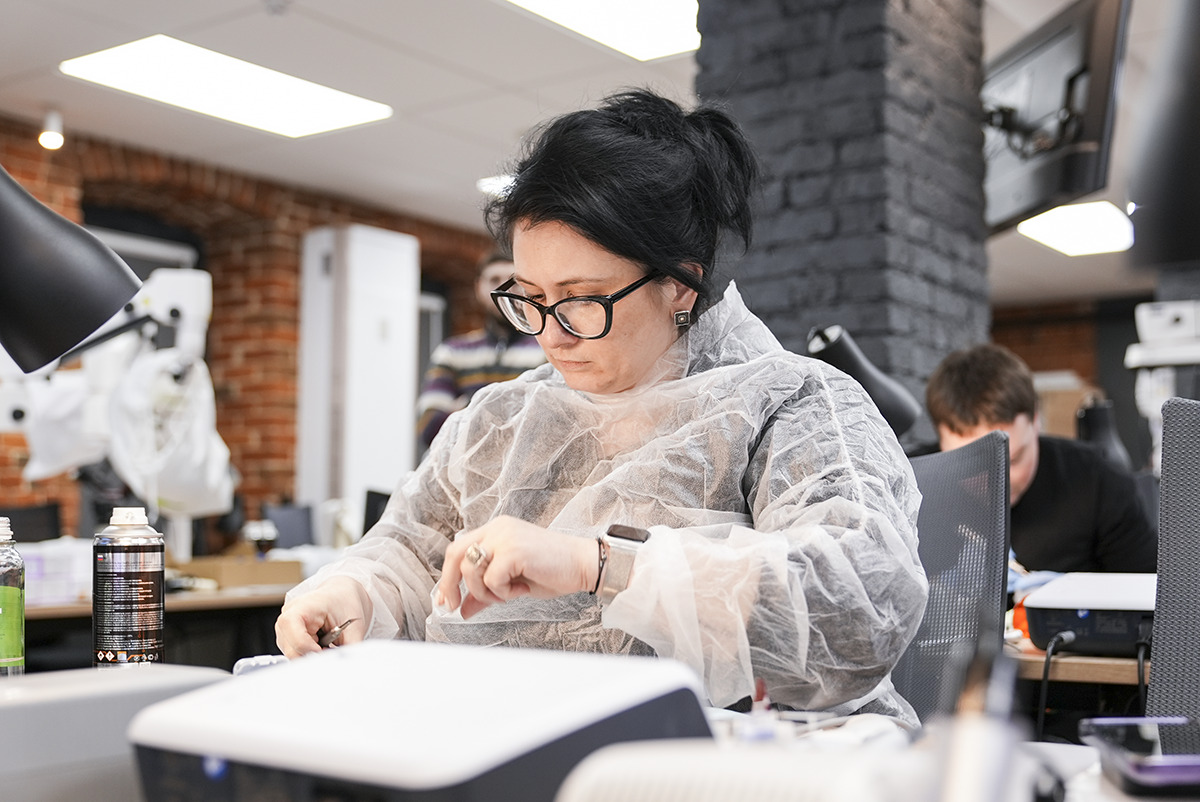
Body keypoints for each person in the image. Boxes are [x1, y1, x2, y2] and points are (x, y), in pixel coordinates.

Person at [276, 89, 928, 725]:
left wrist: (596, 563)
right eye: (530, 298)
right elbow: (411, 555)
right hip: (507, 743)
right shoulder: (496, 424)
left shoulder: (795, 406)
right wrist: (354, 592)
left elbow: (858, 611)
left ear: (680, 283)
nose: (551, 335)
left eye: (581, 300)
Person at [925, 343, 1157, 575]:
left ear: (1036, 420)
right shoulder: (914, 488)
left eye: (1011, 461)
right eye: (971, 467)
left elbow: (1146, 589)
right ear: (941, 439)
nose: (996, 483)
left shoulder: (1099, 481)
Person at [416, 249, 546, 448]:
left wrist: (465, 407)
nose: (504, 289)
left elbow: (548, 428)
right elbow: (430, 428)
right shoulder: (452, 352)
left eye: (513, 282)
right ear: (478, 288)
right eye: (494, 280)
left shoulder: (547, 349)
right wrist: (516, 408)